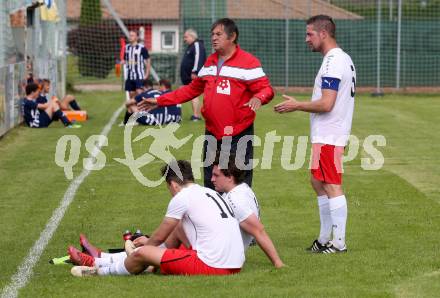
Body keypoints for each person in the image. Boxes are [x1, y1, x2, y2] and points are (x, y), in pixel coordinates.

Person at [138, 18, 274, 189]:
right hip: (212, 134)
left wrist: (259, 98)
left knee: (237, 186)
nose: (214, 38)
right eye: (212, 34)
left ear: (232, 37)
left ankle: (242, 216)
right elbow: (190, 90)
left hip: (237, 135)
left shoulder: (248, 62)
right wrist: (160, 100)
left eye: (219, 34)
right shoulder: (210, 62)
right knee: (212, 182)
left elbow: (267, 90)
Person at [68, 160, 245, 276]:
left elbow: (159, 238)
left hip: (214, 265)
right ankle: (104, 257)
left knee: (145, 252)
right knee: (175, 229)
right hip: (232, 261)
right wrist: (148, 243)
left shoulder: (182, 197)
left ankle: (98, 266)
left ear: (173, 184)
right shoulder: (206, 191)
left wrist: (142, 250)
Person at [274, 15, 356, 254]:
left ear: (324, 33)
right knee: (317, 181)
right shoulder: (341, 58)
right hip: (326, 134)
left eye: (310, 34)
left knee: (331, 184)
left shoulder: (333, 61)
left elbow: (327, 103)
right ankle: (323, 238)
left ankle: (339, 242)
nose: (306, 39)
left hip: (331, 134)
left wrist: (297, 105)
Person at [211, 153, 284, 268]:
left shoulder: (235, 200)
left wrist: (277, 262)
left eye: (216, 175)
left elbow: (259, 231)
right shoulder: (242, 188)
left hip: (218, 257)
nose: (212, 179)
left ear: (230, 177)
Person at [180, 28, 206, 121]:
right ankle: (196, 115)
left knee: (194, 94)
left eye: (186, 37)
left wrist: (195, 71)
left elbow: (198, 58)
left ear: (192, 36)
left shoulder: (197, 44)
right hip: (188, 76)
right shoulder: (191, 46)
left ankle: (196, 116)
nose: (185, 39)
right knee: (192, 94)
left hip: (194, 75)